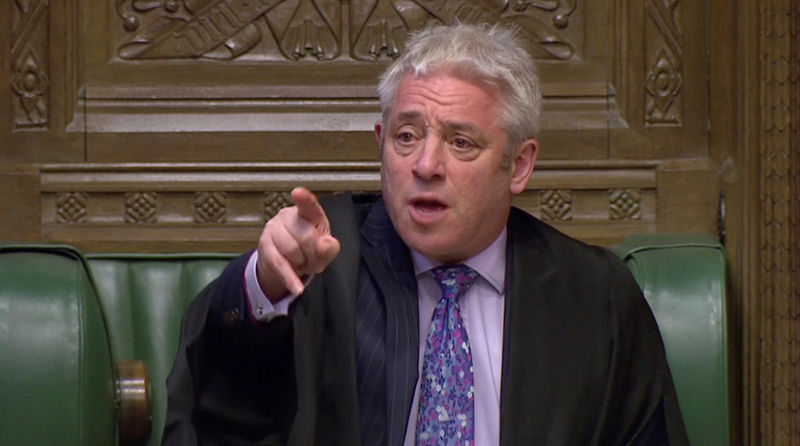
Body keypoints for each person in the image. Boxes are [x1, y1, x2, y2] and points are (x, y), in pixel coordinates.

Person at [162, 23, 689, 446]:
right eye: (407, 136)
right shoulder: (317, 264)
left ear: (519, 166)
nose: (426, 164)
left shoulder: (593, 296)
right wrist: (262, 288)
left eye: (461, 143)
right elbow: (215, 419)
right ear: (381, 143)